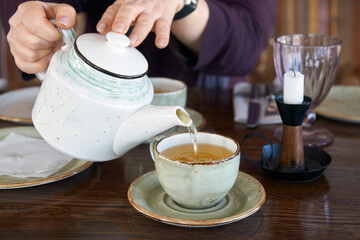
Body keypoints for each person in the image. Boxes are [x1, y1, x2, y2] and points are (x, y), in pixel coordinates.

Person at [0, 0, 277, 87]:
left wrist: (181, 4)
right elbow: (36, 7)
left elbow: (247, 43)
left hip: (212, 109)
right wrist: (32, 19)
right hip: (100, 105)